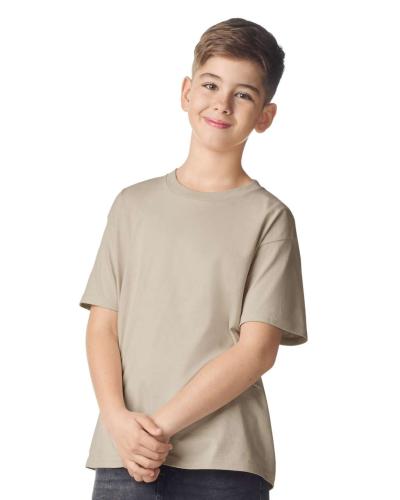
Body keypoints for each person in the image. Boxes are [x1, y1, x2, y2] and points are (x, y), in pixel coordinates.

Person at [79, 17, 308, 500]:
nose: (222, 103)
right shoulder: (132, 205)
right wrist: (118, 421)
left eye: (243, 94)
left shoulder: (269, 218)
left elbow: (257, 351)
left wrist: (157, 430)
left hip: (223, 460)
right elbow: (103, 326)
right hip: (124, 452)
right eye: (210, 85)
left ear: (265, 115)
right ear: (187, 92)